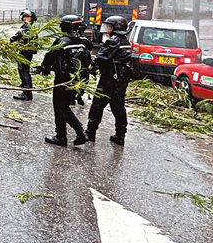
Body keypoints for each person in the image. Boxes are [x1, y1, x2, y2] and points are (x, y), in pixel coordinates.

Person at [39, 14, 91, 147]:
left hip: (63, 79)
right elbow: (88, 61)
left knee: (60, 107)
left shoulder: (62, 41)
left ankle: (64, 136)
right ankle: (78, 133)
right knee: (64, 106)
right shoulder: (83, 42)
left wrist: (44, 68)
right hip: (77, 79)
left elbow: (50, 56)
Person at [85, 16, 133, 145]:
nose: (107, 28)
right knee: (118, 107)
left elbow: (102, 57)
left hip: (109, 79)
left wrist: (91, 66)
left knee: (97, 105)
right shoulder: (125, 41)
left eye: (110, 26)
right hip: (121, 79)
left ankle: (90, 132)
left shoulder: (113, 41)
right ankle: (120, 135)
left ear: (116, 27)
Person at [10, 10, 37, 101]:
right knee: (24, 70)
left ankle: (26, 92)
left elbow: (17, 36)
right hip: (27, 51)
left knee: (24, 71)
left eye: (27, 17)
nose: (25, 18)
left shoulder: (27, 27)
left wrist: (12, 40)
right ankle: (26, 89)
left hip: (25, 52)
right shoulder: (32, 27)